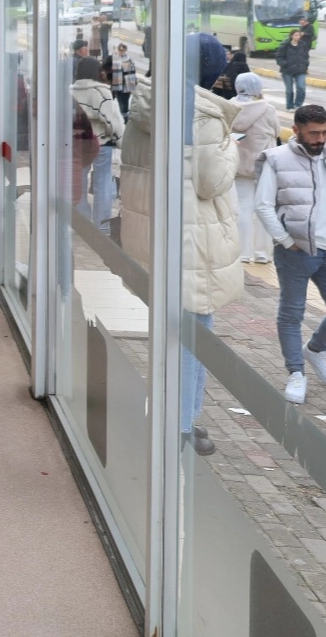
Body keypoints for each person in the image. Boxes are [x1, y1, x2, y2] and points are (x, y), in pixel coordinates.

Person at [121, 78, 242, 455]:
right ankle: (180, 425)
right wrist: (232, 149)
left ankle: (181, 415)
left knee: (178, 334)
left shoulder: (144, 108)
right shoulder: (201, 117)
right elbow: (210, 181)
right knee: (194, 336)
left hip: (157, 235)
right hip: (191, 243)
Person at [255, 104, 326, 404]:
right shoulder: (277, 158)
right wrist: (285, 240)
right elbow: (263, 205)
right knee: (292, 313)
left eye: (324, 133)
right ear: (296, 130)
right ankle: (296, 372)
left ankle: (316, 349)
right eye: (313, 133)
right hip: (296, 251)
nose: (319, 139)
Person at [70, 56, 124, 234]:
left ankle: (83, 224)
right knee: (103, 184)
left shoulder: (70, 91)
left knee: (79, 183)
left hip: (77, 143)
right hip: (102, 143)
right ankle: (102, 226)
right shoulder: (102, 92)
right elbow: (112, 121)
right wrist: (121, 141)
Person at [230, 74, 278, 265]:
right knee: (264, 208)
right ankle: (262, 253)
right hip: (263, 165)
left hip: (239, 165)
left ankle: (243, 253)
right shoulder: (267, 108)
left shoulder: (229, 106)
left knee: (243, 208)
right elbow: (276, 131)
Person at [277, 29, 312, 111]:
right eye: (295, 35)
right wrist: (285, 64)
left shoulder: (303, 45)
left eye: (299, 35)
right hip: (287, 70)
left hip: (300, 70)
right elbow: (279, 57)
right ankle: (290, 106)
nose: (297, 37)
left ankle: (298, 105)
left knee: (301, 88)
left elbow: (306, 57)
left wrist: (306, 66)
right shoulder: (285, 45)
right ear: (291, 36)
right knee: (289, 90)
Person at [110, 42, 138, 117]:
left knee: (124, 103)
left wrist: (133, 84)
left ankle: (124, 117)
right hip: (117, 85)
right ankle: (122, 116)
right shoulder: (113, 58)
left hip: (126, 85)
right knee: (120, 102)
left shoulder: (129, 59)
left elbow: (133, 72)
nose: (122, 52)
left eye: (123, 50)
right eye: (120, 50)